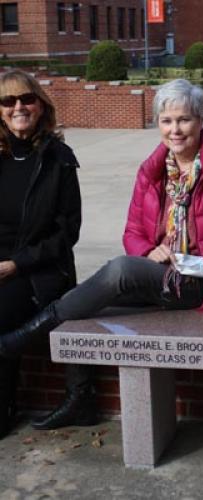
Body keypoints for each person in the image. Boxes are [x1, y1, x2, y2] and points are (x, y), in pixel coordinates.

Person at [0, 78, 203, 424]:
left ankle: (17, 341)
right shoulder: (152, 171)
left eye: (184, 119)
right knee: (79, 300)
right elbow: (132, 232)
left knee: (120, 271)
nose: (175, 130)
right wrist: (148, 250)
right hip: (164, 278)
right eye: (166, 121)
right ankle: (81, 398)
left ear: (201, 120)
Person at [0, 70, 85, 438]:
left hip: (39, 273)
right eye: (8, 101)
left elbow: (67, 233)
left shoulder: (59, 159)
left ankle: (4, 407)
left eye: (26, 99)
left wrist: (15, 264)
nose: (18, 107)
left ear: (40, 106)